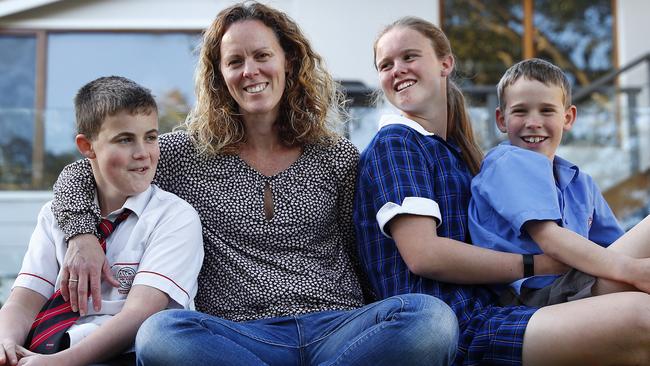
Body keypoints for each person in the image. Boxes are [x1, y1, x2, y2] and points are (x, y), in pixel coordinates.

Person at [50, 3, 458, 365]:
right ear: (219, 74)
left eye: (263, 55)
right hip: (237, 338)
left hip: (337, 328)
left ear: (289, 62)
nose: (250, 71)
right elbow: (84, 171)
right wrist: (81, 233)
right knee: (161, 333)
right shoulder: (182, 154)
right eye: (235, 61)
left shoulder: (336, 155)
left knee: (431, 318)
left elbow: (359, 253)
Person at [354, 16, 650, 365]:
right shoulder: (397, 141)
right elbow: (423, 255)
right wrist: (537, 264)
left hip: (502, 306)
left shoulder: (460, 156)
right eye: (385, 65)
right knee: (642, 317)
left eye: (409, 56)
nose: (398, 69)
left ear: (445, 63)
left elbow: (605, 244)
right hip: (458, 326)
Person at [0, 76, 203, 366]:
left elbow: (140, 314)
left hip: (122, 354)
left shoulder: (173, 217)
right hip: (42, 350)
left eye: (151, 137)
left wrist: (61, 363)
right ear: (87, 146)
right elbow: (24, 300)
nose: (142, 152)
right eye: (124, 139)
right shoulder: (54, 215)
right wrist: (6, 342)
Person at [469, 58, 650, 307]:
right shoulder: (507, 162)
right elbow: (550, 241)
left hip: (577, 284)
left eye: (546, 110)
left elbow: (614, 246)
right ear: (501, 119)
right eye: (521, 111)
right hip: (536, 296)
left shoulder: (580, 182)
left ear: (568, 117)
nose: (533, 122)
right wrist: (633, 270)